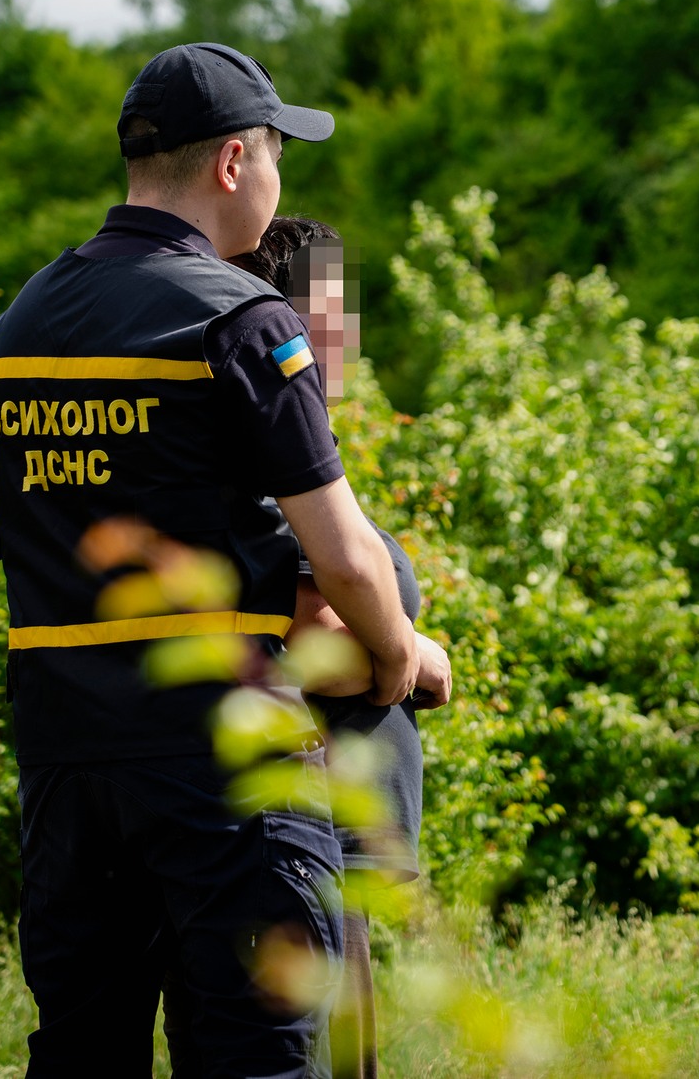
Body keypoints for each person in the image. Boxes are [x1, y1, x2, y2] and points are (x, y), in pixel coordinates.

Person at [0, 42, 450, 1078]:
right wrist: (403, 650)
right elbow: (348, 561)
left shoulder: (22, 324)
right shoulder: (236, 319)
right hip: (218, 771)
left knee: (84, 1055)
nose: (280, 183)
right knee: (258, 1057)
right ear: (234, 162)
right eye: (277, 155)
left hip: (65, 769)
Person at [230, 219, 431, 1079]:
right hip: (304, 833)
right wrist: (414, 658)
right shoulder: (266, 464)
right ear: (281, 317)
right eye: (330, 311)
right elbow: (313, 638)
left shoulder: (293, 451)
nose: (344, 337)